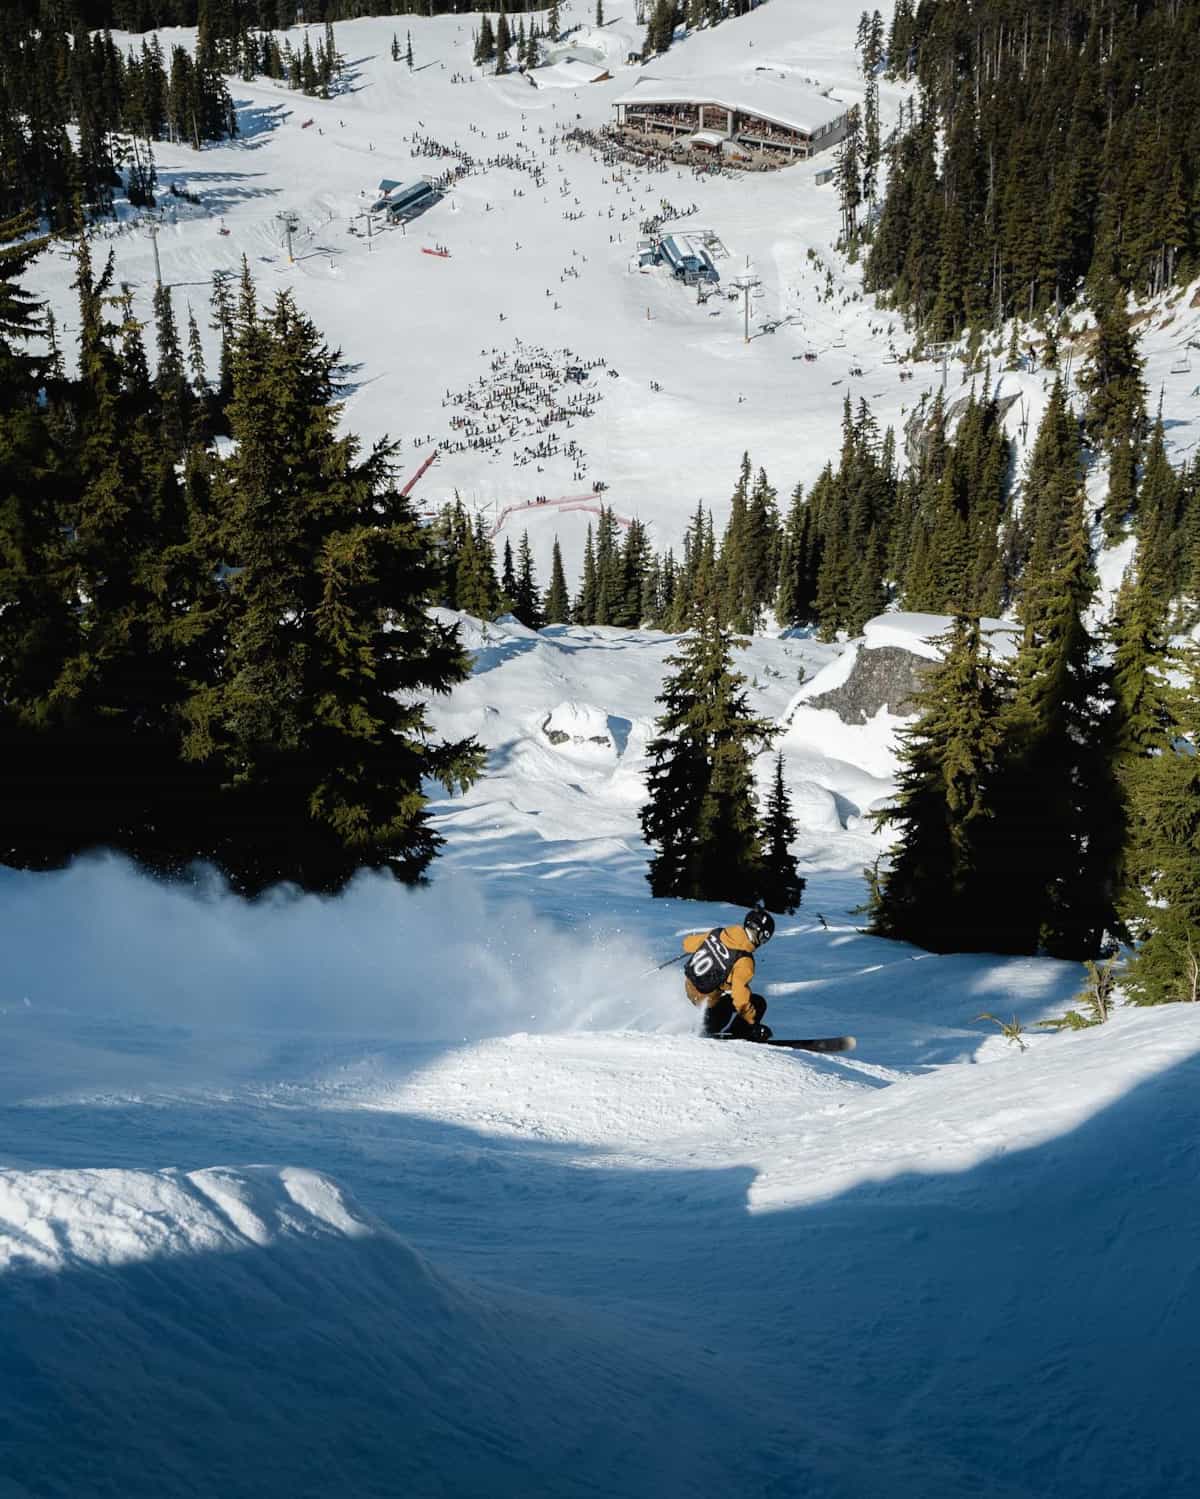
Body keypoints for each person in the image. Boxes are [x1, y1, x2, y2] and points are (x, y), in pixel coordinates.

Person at [681, 909, 775, 1041]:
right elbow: (740, 999)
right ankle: (734, 1035)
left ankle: (705, 1026)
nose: (762, 943)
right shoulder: (744, 960)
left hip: (689, 988)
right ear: (757, 933)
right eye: (764, 938)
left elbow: (687, 944)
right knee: (758, 1003)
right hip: (708, 1005)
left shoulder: (718, 933)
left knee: (723, 993)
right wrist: (752, 1024)